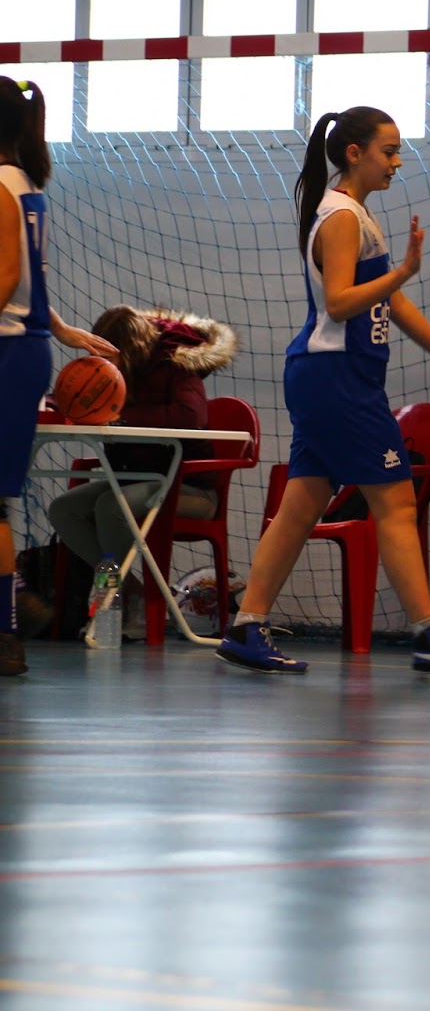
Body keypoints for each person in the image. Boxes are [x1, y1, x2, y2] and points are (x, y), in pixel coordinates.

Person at [215, 106, 430, 674]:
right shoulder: (342, 216)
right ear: (354, 153)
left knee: (300, 505)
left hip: (331, 375)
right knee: (395, 500)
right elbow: (342, 302)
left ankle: (246, 626)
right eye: (388, 151)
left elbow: (391, 303)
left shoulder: (355, 214)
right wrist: (402, 272)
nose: (397, 162)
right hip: (337, 376)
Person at [0, 76, 118, 676]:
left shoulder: (0, 185)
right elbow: (29, 279)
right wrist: (64, 330)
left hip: (7, 352)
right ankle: (11, 614)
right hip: (26, 349)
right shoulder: (26, 186)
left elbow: (6, 277)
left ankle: (6, 627)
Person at [47, 306, 236, 640]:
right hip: (132, 480)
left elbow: (191, 416)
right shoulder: (111, 371)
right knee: (64, 509)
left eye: (109, 354)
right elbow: (84, 398)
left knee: (111, 506)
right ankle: (130, 590)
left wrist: (119, 417)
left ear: (130, 349)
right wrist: (57, 403)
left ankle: (115, 602)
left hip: (189, 490)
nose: (102, 362)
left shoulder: (176, 364)